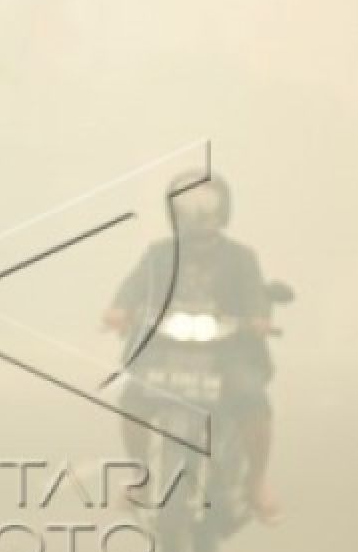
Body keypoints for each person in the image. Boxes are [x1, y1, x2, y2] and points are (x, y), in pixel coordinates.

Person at [101, 171, 282, 524]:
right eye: (188, 204)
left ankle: (257, 481)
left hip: (227, 352)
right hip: (164, 347)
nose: (198, 214)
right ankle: (142, 475)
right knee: (134, 395)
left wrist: (259, 318)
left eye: (207, 204)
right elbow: (133, 288)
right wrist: (118, 311)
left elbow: (256, 297)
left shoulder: (241, 258)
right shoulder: (158, 255)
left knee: (252, 397)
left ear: (223, 210)